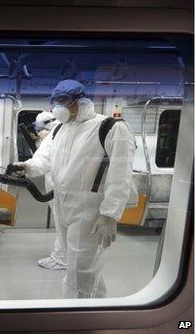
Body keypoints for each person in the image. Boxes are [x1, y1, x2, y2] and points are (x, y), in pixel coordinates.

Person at [13, 80, 135, 298]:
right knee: (80, 266)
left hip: (90, 212)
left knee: (79, 272)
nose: (56, 107)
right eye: (55, 102)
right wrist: (29, 166)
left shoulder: (110, 127)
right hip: (63, 205)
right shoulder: (60, 129)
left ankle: (75, 317)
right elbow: (44, 157)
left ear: (80, 101)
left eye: (62, 101)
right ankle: (96, 309)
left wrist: (109, 215)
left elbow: (120, 175)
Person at [32, 111, 67, 271]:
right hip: (55, 184)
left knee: (64, 223)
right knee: (61, 222)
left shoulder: (63, 132)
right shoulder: (55, 133)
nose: (39, 131)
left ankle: (62, 259)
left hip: (63, 186)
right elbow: (43, 158)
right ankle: (62, 257)